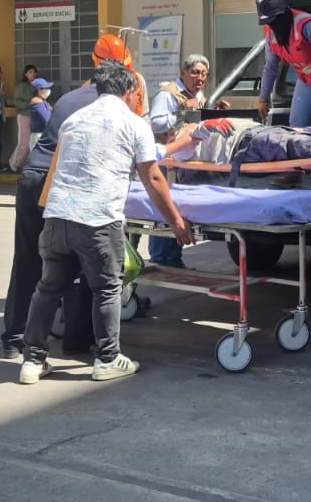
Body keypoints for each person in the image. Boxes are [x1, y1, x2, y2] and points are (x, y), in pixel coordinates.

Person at [19, 63, 194, 384]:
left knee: (48, 288)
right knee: (108, 288)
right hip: (98, 220)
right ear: (130, 92)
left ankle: (32, 361)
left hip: (57, 217)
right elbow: (153, 175)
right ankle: (108, 358)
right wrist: (176, 221)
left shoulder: (73, 121)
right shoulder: (131, 123)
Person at [147, 54, 227, 268]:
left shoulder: (198, 95)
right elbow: (155, 123)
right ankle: (161, 258)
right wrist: (182, 113)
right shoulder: (168, 94)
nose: (199, 77)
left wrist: (212, 111)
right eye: (194, 72)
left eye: (203, 74)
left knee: (180, 209)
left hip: (188, 160)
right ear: (183, 73)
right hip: (166, 160)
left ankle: (173, 258)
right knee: (165, 207)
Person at [8, 65, 39, 171]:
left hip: (35, 116)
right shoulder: (22, 86)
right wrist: (29, 104)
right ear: (25, 74)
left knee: (32, 142)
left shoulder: (37, 86)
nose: (33, 74)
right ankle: (14, 163)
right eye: (30, 72)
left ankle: (24, 165)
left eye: (34, 72)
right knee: (24, 143)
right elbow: (16, 101)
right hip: (24, 116)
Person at [27, 77, 54, 152]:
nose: (48, 90)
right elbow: (47, 120)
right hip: (39, 137)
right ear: (39, 90)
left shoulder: (42, 101)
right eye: (46, 88)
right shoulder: (37, 102)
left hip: (41, 136)